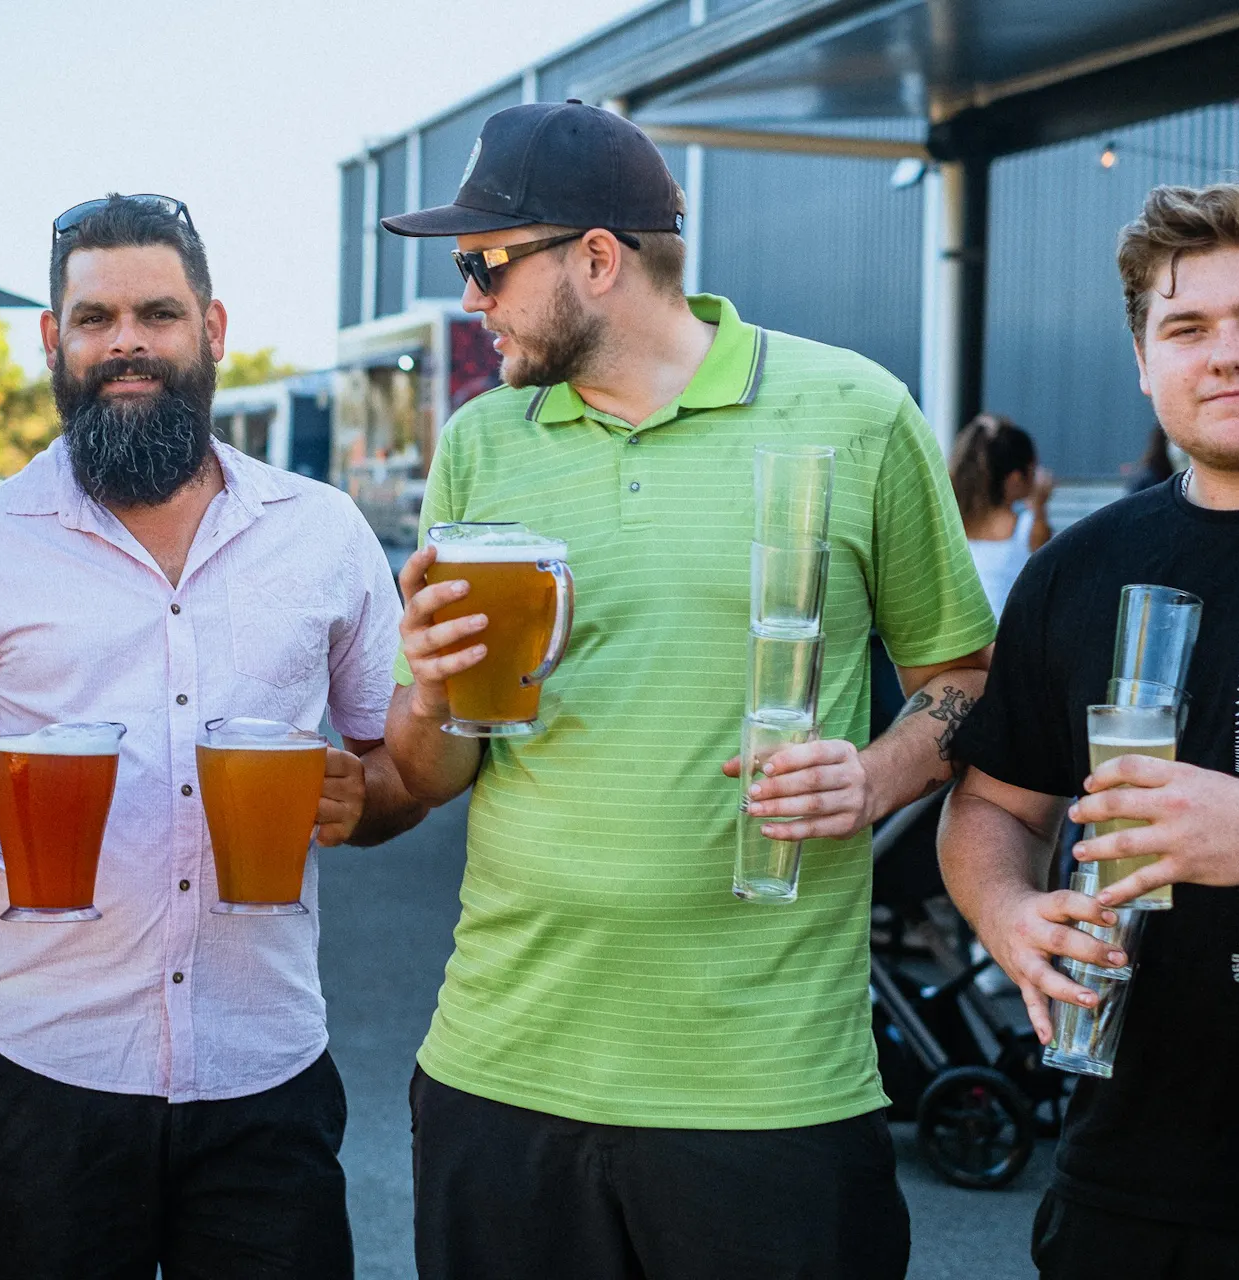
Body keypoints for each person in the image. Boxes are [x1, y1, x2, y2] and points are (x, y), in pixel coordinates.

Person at [380, 101, 995, 1280]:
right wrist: (429, 694)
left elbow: (963, 676)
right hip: (500, 1072)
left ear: (597, 259)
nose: (470, 299)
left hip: (769, 1093)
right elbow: (440, 762)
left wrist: (871, 775)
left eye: (484, 265)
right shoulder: (481, 442)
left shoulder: (855, 412)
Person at [0, 194, 427, 1280]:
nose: (126, 341)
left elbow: (394, 768)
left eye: (158, 312)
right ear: (55, 341)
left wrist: (364, 798)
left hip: (264, 1070)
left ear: (212, 330)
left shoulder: (322, 533)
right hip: (48, 1076)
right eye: (94, 318)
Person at [941, 182, 1239, 1278]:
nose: (1225, 353)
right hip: (1132, 1191)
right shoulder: (1077, 571)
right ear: (1145, 362)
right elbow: (996, 805)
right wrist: (1010, 915)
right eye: (1187, 327)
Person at [949, 413, 1053, 615]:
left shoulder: (953, 523)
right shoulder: (1029, 527)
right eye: (1033, 469)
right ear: (1016, 479)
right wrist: (1040, 505)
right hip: (1008, 642)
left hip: (964, 643)